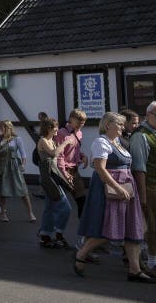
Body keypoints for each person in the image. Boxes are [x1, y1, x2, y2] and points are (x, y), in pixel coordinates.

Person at [74, 112, 154, 282]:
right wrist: (117, 188)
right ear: (108, 124)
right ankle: (81, 255)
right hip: (109, 191)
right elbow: (100, 169)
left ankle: (135, 270)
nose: (122, 127)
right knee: (106, 230)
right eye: (119, 124)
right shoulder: (101, 142)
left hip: (126, 189)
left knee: (133, 228)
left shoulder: (117, 142)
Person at [36, 118, 72, 248]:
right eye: (55, 127)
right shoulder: (43, 140)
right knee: (66, 207)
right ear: (48, 129)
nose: (57, 129)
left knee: (50, 208)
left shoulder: (52, 140)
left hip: (53, 177)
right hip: (48, 179)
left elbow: (57, 162)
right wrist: (65, 142)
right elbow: (53, 154)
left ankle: (45, 236)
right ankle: (58, 234)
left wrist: (65, 174)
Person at [131, 102, 156, 274]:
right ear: (148, 115)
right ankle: (152, 262)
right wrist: (143, 197)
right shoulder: (141, 135)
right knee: (153, 227)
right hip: (150, 186)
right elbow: (139, 168)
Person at [0, 120, 36, 222]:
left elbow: (23, 155)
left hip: (14, 167)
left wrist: (23, 165)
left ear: (9, 128)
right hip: (2, 166)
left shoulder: (17, 139)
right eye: (0, 127)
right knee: (3, 191)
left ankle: (30, 213)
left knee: (23, 190)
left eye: (3, 127)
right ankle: (3, 214)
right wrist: (0, 145)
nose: (1, 129)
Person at [56, 109, 89, 218]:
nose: (81, 124)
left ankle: (83, 231)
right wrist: (64, 173)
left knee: (82, 201)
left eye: (83, 122)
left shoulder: (79, 133)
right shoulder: (61, 133)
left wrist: (82, 156)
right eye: (79, 121)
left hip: (74, 171)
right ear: (71, 119)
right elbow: (59, 155)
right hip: (62, 172)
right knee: (59, 204)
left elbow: (75, 151)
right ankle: (52, 231)